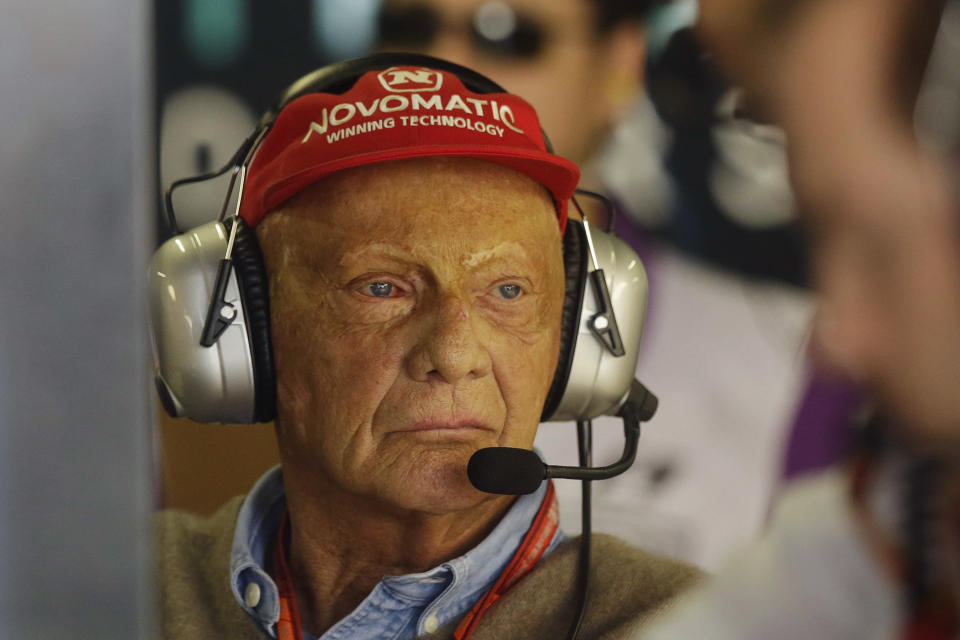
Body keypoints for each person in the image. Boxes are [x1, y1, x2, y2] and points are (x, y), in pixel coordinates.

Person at [151, 58, 701, 639]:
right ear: (246, 330)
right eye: (381, 288)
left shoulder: (687, 625)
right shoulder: (113, 590)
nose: (454, 354)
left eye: (508, 291)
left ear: (574, 339)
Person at [376, 0, 815, 570]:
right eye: (407, 28)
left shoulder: (793, 364)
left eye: (509, 34)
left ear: (620, 67)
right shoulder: (268, 341)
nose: (441, 68)